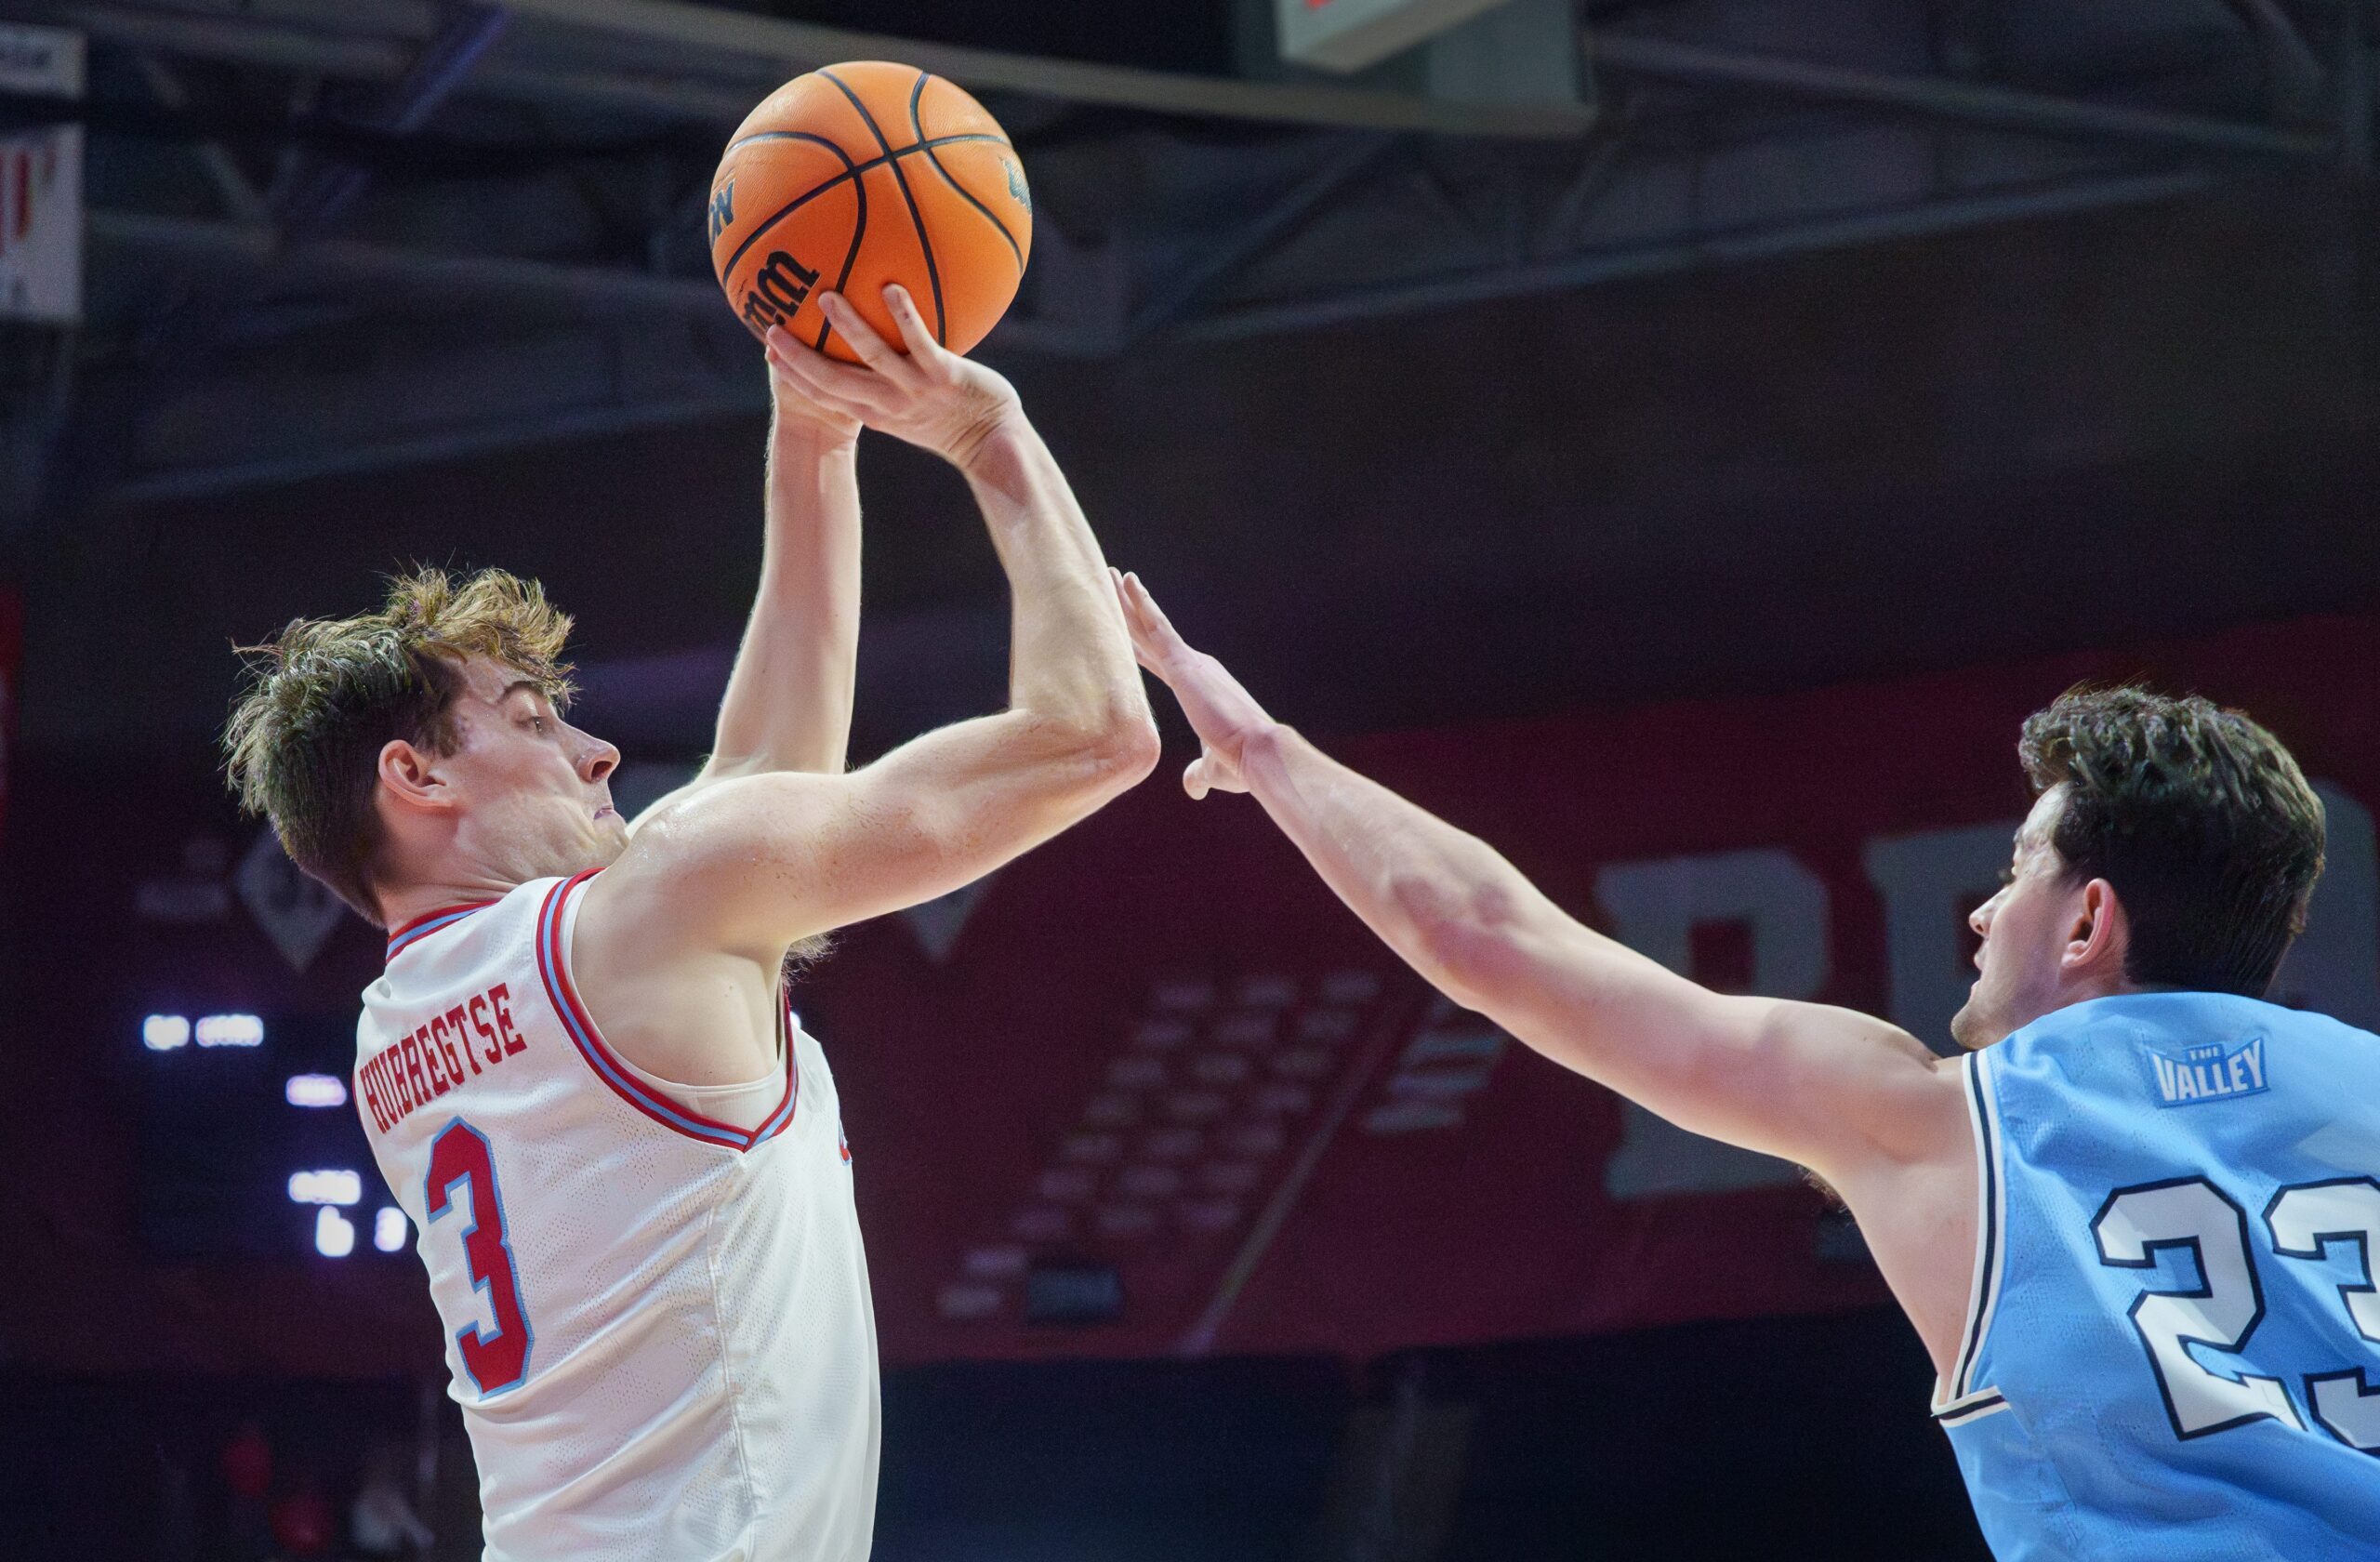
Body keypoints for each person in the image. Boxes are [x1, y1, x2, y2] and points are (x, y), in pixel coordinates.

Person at [1112, 570, 2380, 1560]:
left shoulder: (1942, 1125)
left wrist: (1269, 753)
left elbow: (1489, 939)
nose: (1986, 915)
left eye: (2016, 876)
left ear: (2092, 921)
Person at [220, 285, 1158, 1562]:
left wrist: (813, 441)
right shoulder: (631, 926)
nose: (599, 751)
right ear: (417, 777)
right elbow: (1096, 737)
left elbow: (763, 778)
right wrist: (992, 438)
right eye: (534, 720)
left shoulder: (401, 1039)